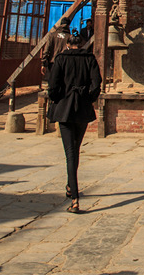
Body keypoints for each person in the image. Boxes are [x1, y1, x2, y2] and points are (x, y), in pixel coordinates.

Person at [46, 28, 102, 213]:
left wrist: (57, 100)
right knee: (75, 149)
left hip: (64, 108)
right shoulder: (90, 59)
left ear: (68, 45)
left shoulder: (61, 59)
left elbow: (53, 85)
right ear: (83, 44)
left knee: (70, 152)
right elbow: (96, 84)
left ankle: (75, 198)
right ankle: (71, 187)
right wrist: (88, 98)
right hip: (82, 108)